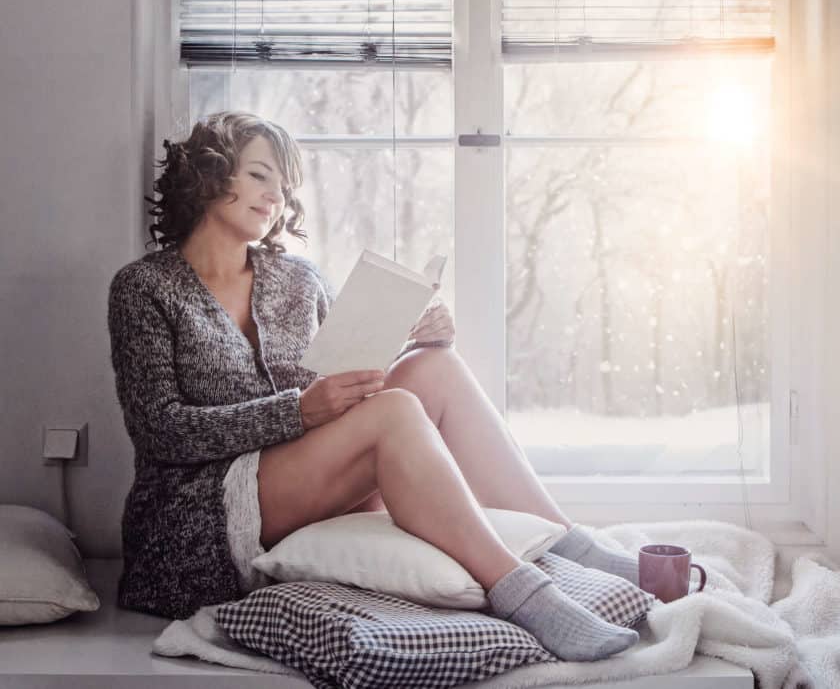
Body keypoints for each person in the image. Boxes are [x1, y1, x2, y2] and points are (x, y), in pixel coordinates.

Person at [107, 111, 642, 662]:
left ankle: (573, 544)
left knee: (435, 370)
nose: (275, 198)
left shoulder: (299, 279)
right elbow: (159, 431)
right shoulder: (144, 288)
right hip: (202, 511)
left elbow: (353, 382)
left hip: (307, 474)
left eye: (284, 186)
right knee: (392, 414)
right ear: (208, 173)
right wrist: (298, 412)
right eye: (260, 176)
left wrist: (418, 339)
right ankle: (525, 594)